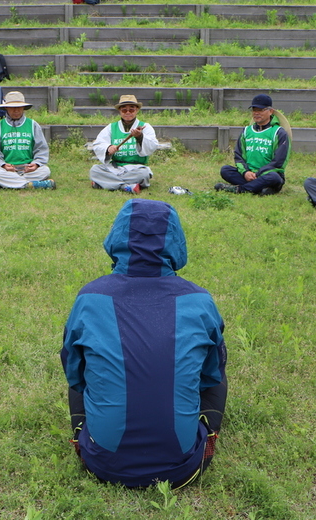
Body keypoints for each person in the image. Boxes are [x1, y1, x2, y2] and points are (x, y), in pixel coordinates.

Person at [61, 200, 227, 488]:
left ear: (116, 237)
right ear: (176, 242)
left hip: (101, 463)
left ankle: (82, 431)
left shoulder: (89, 298)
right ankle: (207, 433)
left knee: (85, 372)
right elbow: (210, 375)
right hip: (182, 466)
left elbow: (74, 373)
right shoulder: (200, 301)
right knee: (217, 373)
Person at [215, 94, 290, 195]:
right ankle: (260, 189)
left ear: (271, 111)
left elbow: (279, 162)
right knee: (225, 170)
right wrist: (245, 172)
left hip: (268, 174)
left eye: (260, 110)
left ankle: (240, 189)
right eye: (254, 110)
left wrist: (258, 174)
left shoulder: (279, 133)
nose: (256, 113)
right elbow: (238, 156)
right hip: (248, 174)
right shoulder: (246, 131)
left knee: (274, 178)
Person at [89, 94, 159, 194]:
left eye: (131, 110)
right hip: (115, 167)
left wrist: (140, 137)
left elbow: (152, 145)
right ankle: (126, 186)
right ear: (119, 111)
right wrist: (108, 148)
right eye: (124, 110)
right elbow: (99, 143)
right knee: (94, 170)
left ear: (137, 110)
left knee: (143, 174)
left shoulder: (145, 127)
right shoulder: (111, 127)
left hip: (136, 168)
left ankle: (105, 183)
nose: (128, 113)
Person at [0, 91, 55, 190]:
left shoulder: (33, 125)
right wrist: (4, 165)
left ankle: (4, 184)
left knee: (45, 170)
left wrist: (36, 164)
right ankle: (32, 184)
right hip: (8, 169)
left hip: (28, 169)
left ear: (23, 108)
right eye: (12, 108)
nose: (16, 111)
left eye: (19, 107)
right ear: (6, 108)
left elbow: (41, 149)